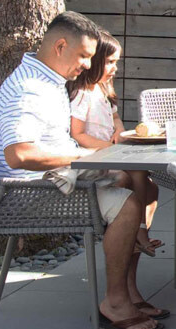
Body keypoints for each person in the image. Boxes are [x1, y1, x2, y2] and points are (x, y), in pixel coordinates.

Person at [0, 11, 165, 329]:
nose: (88, 65)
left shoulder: (48, 81)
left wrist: (91, 158)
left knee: (132, 181)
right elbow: (19, 155)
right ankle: (115, 301)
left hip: (48, 183)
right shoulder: (31, 89)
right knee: (127, 204)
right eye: (84, 56)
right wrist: (81, 157)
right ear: (59, 46)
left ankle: (126, 289)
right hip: (28, 195)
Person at [68, 31, 162, 257]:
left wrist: (119, 131)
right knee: (135, 176)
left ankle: (140, 230)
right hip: (95, 157)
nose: (114, 68)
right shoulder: (82, 94)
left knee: (151, 185)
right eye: (110, 62)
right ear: (95, 60)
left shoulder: (103, 90)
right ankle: (138, 235)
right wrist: (109, 148)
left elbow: (115, 118)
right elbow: (78, 133)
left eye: (116, 62)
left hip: (110, 152)